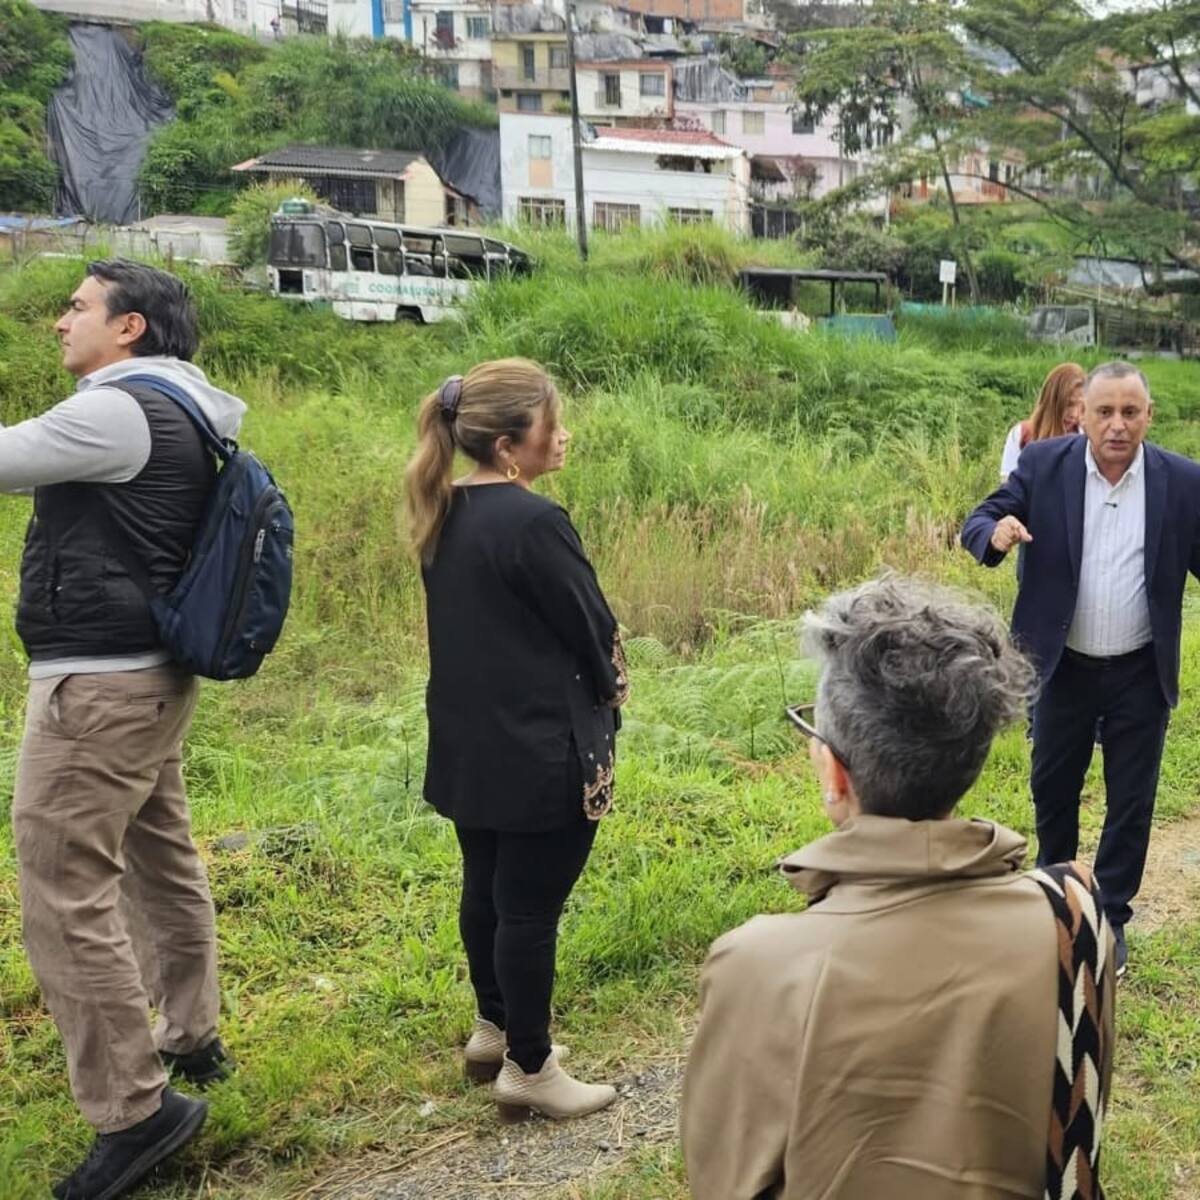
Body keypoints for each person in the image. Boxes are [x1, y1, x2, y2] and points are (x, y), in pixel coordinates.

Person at [681, 576, 1115, 1200]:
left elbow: (724, 1179)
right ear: (970, 758)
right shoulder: (1071, 916)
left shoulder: (756, 964)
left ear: (834, 772)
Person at [9, 260, 246, 1200]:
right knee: (158, 857)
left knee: (65, 885)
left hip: (100, 689)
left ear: (131, 327)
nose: (60, 321)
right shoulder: (184, 407)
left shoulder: (118, 410)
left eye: (76, 307)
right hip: (149, 679)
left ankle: (136, 1110)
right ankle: (190, 1035)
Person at [403, 358, 626, 1122]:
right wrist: (612, 687)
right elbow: (591, 626)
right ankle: (530, 1065)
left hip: (471, 740)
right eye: (549, 424)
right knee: (529, 908)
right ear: (507, 445)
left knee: (487, 888)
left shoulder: (442, 508)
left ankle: (494, 1027)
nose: (562, 436)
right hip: (540, 745)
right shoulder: (534, 521)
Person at [962, 361, 1200, 978]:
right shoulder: (1045, 467)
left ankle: (1112, 918)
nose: (1117, 425)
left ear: (1149, 416)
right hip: (1060, 667)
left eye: (1130, 412)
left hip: (1139, 672)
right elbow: (979, 520)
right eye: (1104, 412)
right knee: (1053, 789)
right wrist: (998, 533)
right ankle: (1054, 908)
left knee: (1131, 800)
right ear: (1082, 414)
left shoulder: (1180, 481)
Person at [999, 362, 1085, 480]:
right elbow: (1007, 487)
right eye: (1069, 404)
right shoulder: (1021, 435)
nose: (1074, 414)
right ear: (1053, 401)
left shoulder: (1086, 439)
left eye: (1081, 406)